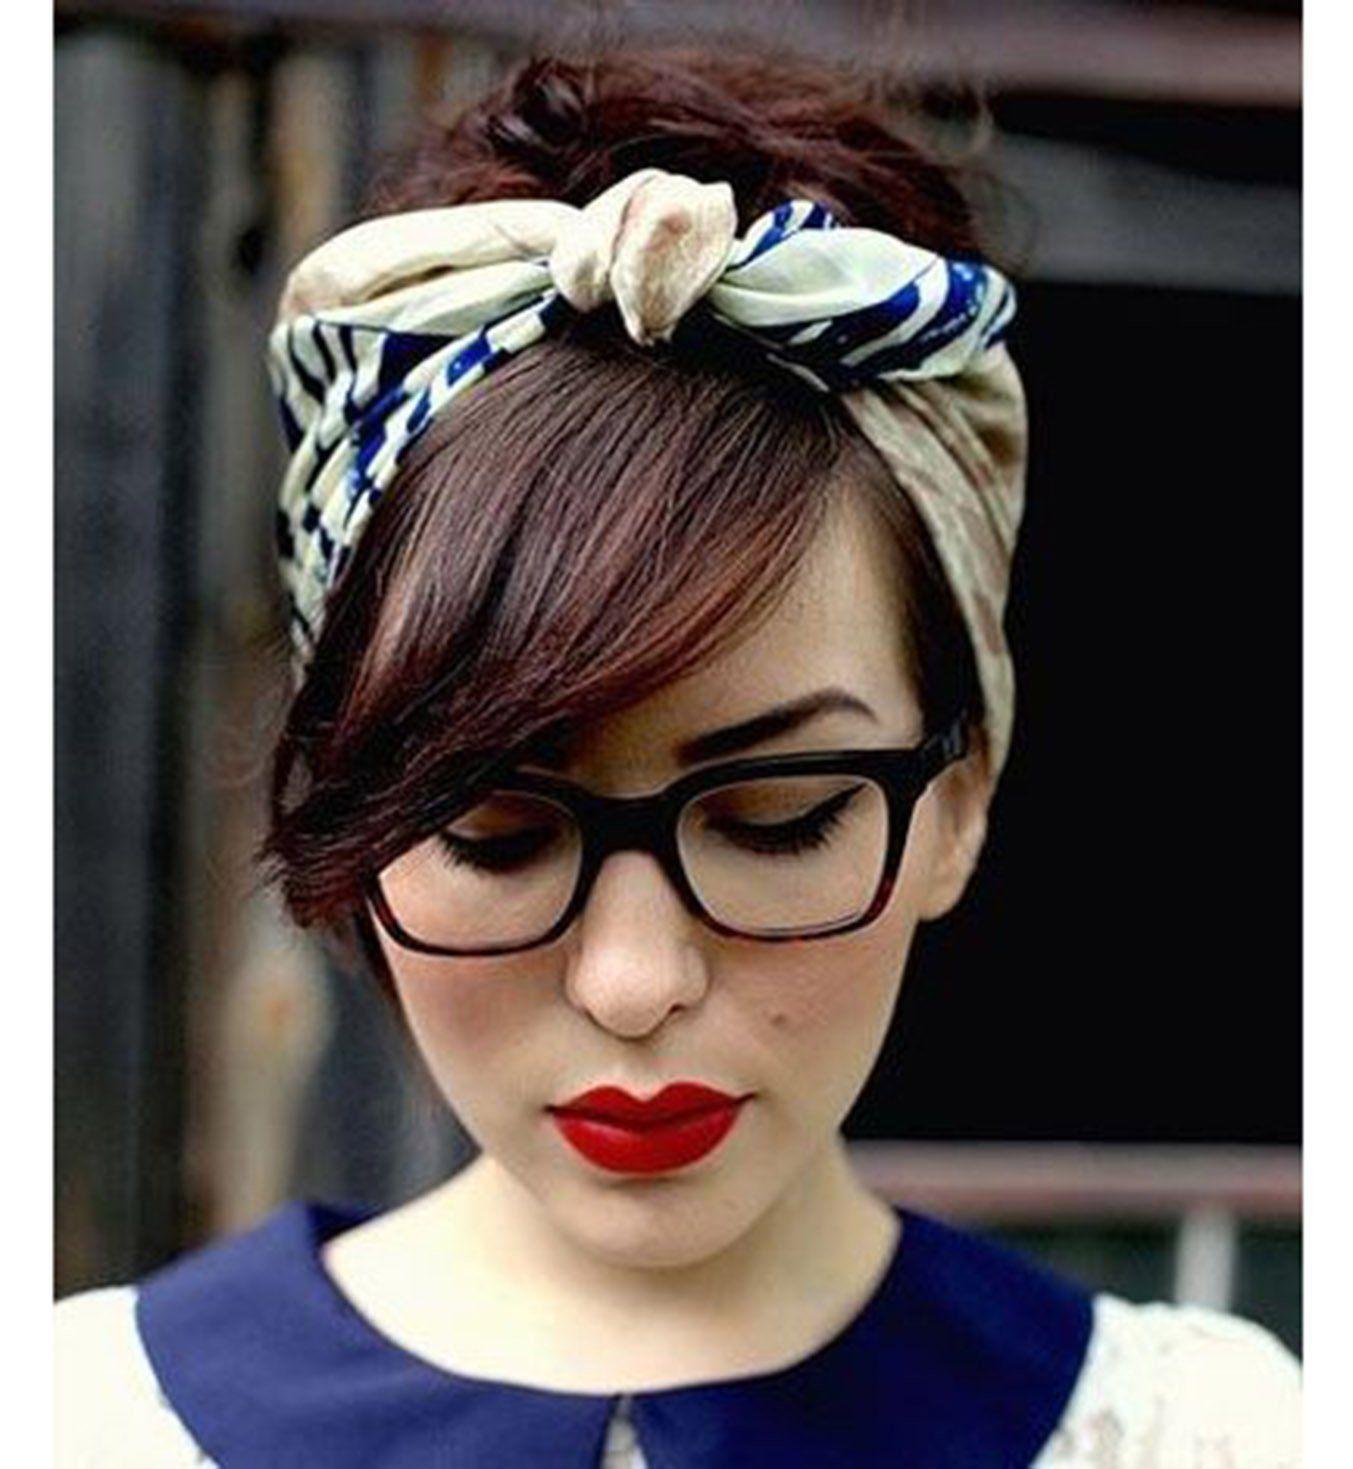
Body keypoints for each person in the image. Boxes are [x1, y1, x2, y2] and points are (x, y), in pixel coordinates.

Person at [55, 47, 1301, 1468]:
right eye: (492, 830)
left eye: (778, 818)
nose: (634, 982)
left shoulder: (1207, 1434)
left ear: (958, 800)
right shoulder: (87, 1422)